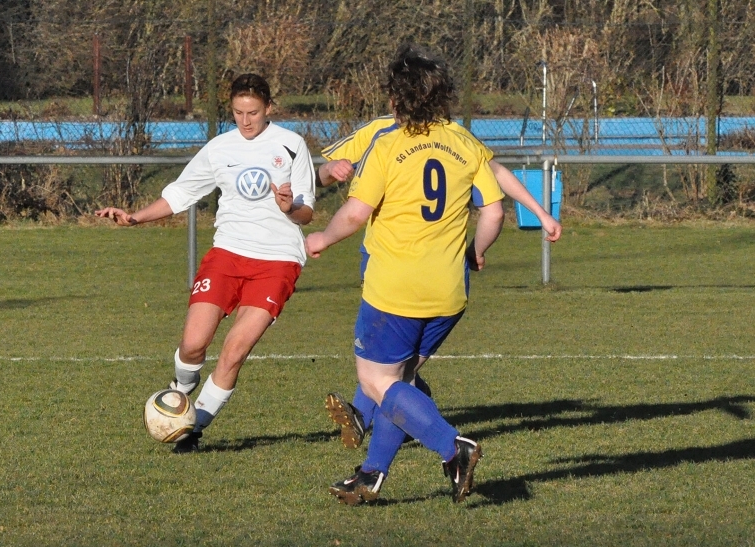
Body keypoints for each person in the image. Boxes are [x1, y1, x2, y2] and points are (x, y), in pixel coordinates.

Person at [305, 43, 506, 505]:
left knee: (377, 382)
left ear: (396, 99)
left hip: (394, 290)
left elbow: (355, 214)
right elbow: (493, 212)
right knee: (403, 381)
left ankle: (453, 449)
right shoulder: (465, 142)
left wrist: (320, 239)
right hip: (450, 292)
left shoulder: (389, 145)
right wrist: (475, 252)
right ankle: (370, 476)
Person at [317, 104, 562, 453]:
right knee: (395, 365)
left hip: (394, 268)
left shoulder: (442, 135)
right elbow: (324, 172)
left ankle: (408, 427)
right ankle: (372, 455)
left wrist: (540, 212)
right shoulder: (439, 136)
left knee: (389, 369)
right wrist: (330, 170)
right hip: (434, 270)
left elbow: (494, 172)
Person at [95, 73, 315, 453]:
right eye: (238, 112)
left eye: (254, 112)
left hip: (277, 260)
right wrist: (135, 217)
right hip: (227, 254)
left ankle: (190, 431)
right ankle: (180, 393)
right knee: (193, 345)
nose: (246, 121)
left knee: (234, 351)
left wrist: (288, 207)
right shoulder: (219, 148)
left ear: (268, 109)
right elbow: (182, 192)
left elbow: (307, 213)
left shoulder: (292, 145)